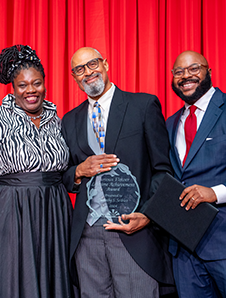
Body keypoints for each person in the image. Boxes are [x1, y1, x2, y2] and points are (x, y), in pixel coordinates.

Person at [61, 47, 175, 298]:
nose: (88, 73)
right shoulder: (69, 120)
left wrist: (148, 216)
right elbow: (64, 175)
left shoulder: (143, 105)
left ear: (105, 64)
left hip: (133, 231)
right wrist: (79, 170)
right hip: (87, 235)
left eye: (92, 64)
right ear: (74, 77)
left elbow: (163, 171)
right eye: (79, 69)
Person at [0, 45, 73, 298]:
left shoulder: (58, 120)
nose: (30, 91)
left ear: (45, 84)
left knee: (53, 277)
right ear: (12, 88)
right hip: (9, 208)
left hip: (53, 208)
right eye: (22, 85)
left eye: (36, 83)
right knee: (12, 278)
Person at [166, 50, 226, 297]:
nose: (185, 76)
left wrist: (214, 193)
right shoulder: (170, 123)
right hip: (183, 248)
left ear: (209, 72)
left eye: (194, 69)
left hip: (222, 240)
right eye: (178, 72)